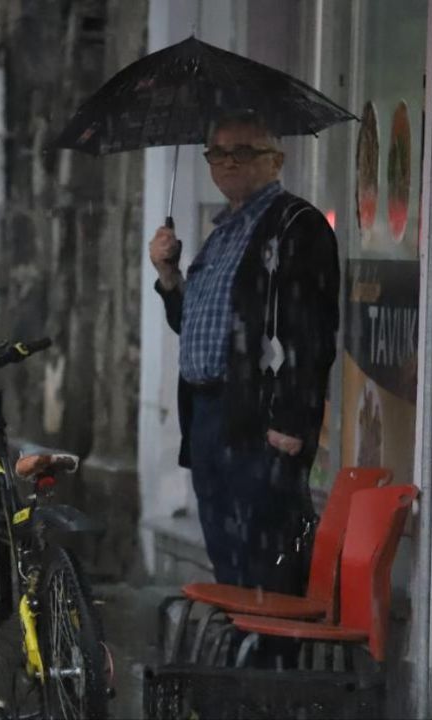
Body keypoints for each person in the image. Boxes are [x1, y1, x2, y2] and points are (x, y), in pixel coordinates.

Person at [151, 110, 340, 594]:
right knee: (227, 554)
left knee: (268, 558)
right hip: (211, 416)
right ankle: (244, 655)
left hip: (261, 419)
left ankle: (271, 664)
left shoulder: (297, 226)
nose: (228, 163)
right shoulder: (222, 235)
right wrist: (170, 276)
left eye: (244, 152)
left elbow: (311, 330)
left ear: (276, 160)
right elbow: (192, 323)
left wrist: (293, 422)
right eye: (218, 153)